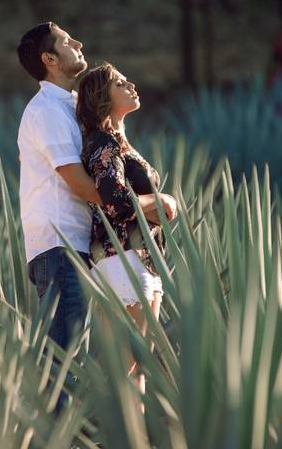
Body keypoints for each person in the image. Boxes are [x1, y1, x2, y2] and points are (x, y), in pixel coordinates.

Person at [76, 62, 177, 396]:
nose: (131, 84)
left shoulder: (116, 141)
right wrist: (161, 201)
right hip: (124, 258)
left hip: (138, 259)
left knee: (135, 368)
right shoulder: (104, 141)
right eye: (120, 82)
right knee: (129, 368)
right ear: (103, 98)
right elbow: (114, 199)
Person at [16, 22, 102, 357]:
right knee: (67, 365)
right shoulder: (47, 111)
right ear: (49, 59)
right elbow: (79, 184)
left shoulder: (71, 105)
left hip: (76, 246)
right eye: (67, 41)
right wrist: (140, 206)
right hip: (60, 247)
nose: (79, 42)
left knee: (74, 360)